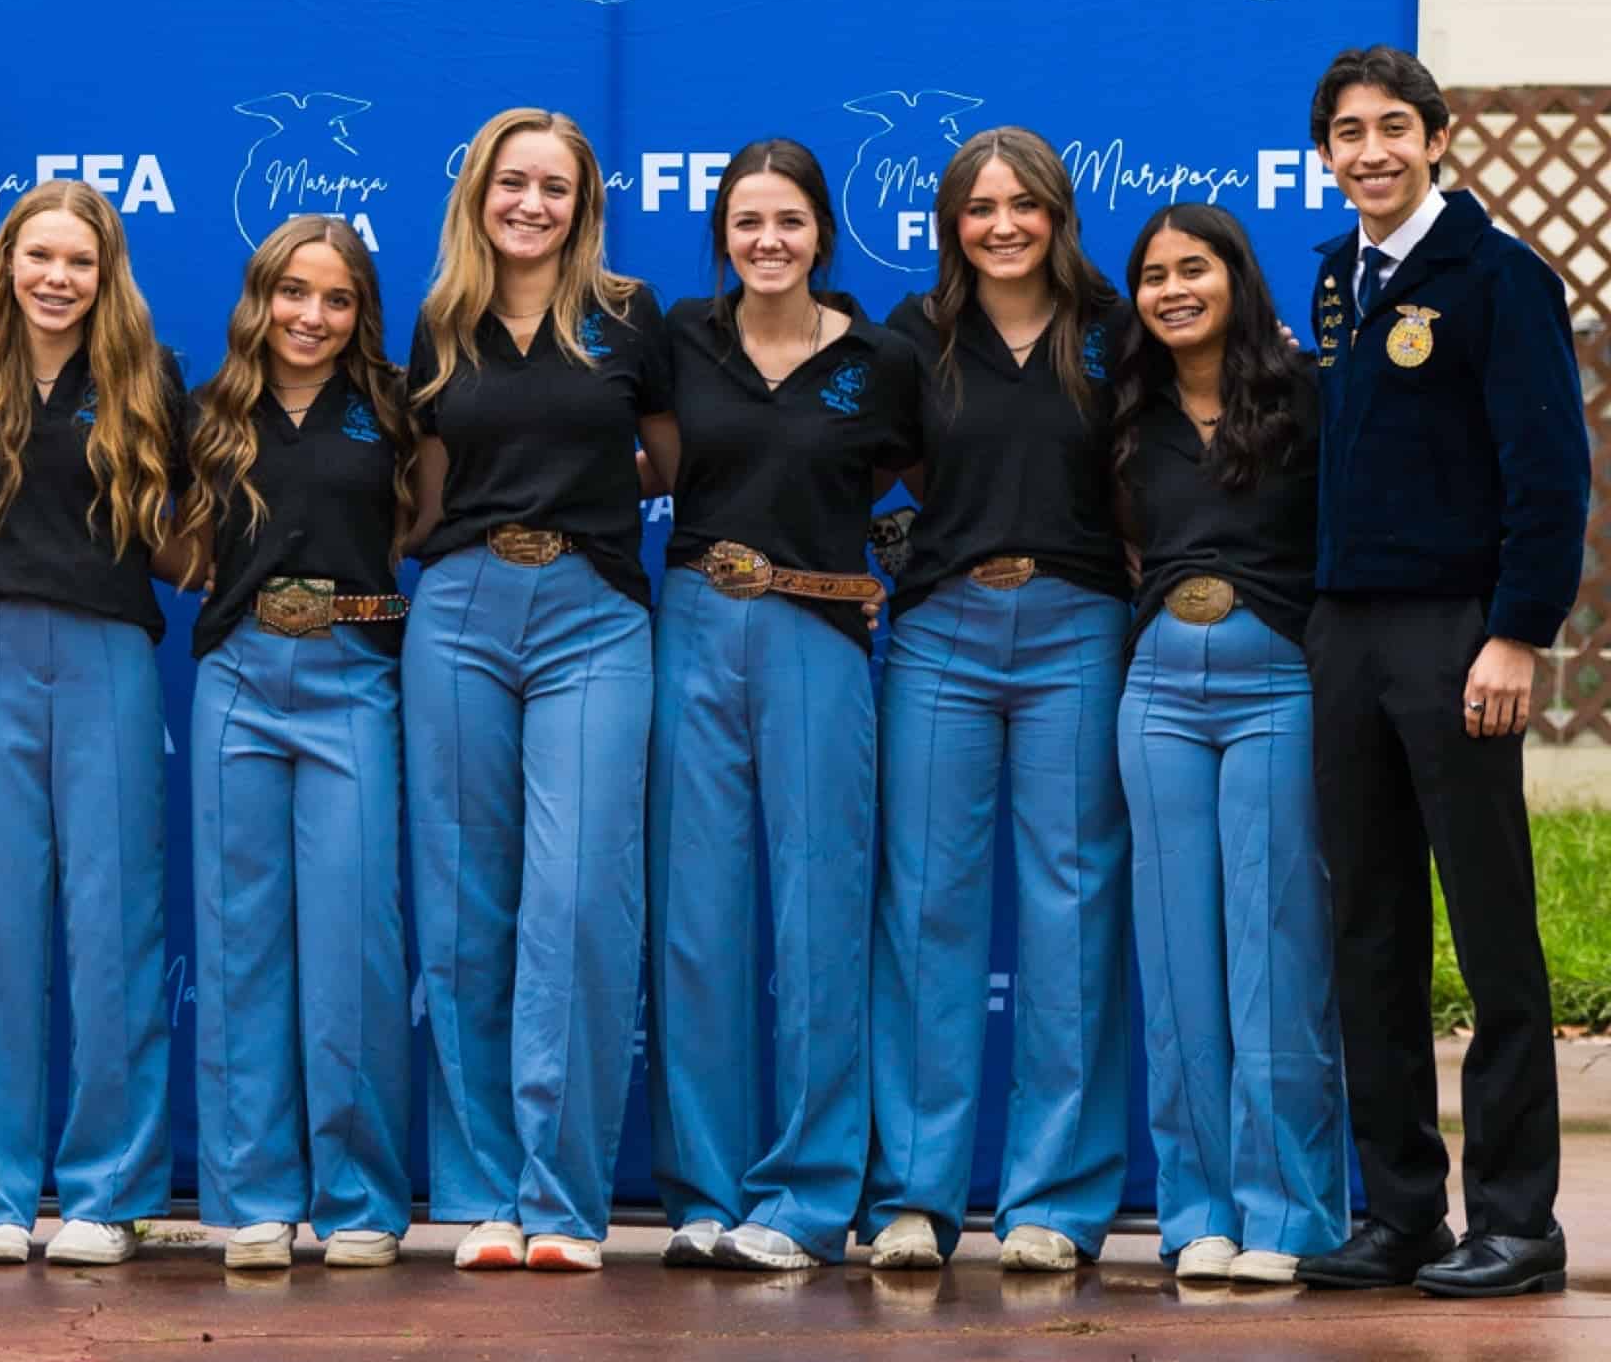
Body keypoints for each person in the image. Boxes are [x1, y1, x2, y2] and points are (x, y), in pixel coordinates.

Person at [1295, 46, 1588, 1300]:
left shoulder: (1498, 276)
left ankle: (1517, 1219)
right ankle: (1403, 1210)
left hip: (1458, 633)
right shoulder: (1337, 278)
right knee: (1369, 927)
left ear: (1438, 135)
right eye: (1347, 133)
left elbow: (1551, 471)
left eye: (1391, 129)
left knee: (1491, 929)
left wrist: (1517, 631)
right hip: (1344, 633)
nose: (1369, 151)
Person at [402, 106, 678, 1273]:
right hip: (459, 610)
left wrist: (582, 486)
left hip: (592, 615)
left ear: (584, 204)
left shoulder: (627, 315)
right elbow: (420, 489)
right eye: (511, 182)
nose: (530, 203)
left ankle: (561, 1202)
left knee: (575, 901)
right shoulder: (442, 320)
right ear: (479, 194)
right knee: (465, 906)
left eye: (554, 187)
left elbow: (668, 460)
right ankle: (478, 1196)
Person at [862, 125, 1133, 1274]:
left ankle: (1054, 1204)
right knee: (928, 909)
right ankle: (916, 1197)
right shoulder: (911, 336)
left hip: (1079, 626)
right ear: (951, 223)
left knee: (1072, 911)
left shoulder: (1118, 330)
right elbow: (869, 464)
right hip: (942, 632)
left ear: (1060, 215)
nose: (1004, 224)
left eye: (1025, 204)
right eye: (980, 207)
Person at [640, 139, 915, 1271]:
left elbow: (953, 487)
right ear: (721, 235)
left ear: (822, 235)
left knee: (819, 919)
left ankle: (804, 1199)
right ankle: (703, 1193)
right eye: (747, 222)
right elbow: (645, 467)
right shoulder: (675, 343)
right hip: (694, 624)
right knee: (697, 924)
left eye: (789, 221)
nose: (768, 241)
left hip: (818, 641)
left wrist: (873, 578)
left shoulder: (882, 360)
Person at [0, 180, 187, 1266]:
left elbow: (193, 533)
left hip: (110, 654)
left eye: (78, 261)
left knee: (113, 926)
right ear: (8, 266)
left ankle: (106, 1195)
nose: (56, 277)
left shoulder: (147, 377)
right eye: (39, 256)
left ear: (106, 273)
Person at [1111, 203, 1348, 1286]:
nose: (1172, 290)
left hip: (1277, 688)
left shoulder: (1304, 396)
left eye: (1192, 269)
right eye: (1153, 275)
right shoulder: (1124, 409)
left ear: (1235, 277)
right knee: (1177, 965)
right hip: (1156, 689)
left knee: (1274, 952)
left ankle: (1289, 1214)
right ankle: (1196, 1212)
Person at [175, 216, 416, 1272]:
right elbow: (173, 541)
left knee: (354, 944)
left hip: (356, 675)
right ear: (258, 297)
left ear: (361, 312)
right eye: (293, 292)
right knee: (240, 947)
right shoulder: (211, 413)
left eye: (337, 298)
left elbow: (429, 526)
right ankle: (256, 1198)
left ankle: (358, 1198)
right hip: (236, 679)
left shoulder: (398, 411)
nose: (311, 316)